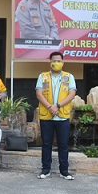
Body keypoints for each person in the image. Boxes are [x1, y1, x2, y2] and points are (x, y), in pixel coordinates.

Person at [35, 51, 76, 180]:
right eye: (53, 61)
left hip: (62, 115)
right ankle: (45, 170)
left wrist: (57, 105)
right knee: (46, 144)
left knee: (63, 145)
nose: (56, 63)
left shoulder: (69, 77)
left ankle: (64, 171)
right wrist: (50, 107)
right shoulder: (43, 76)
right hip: (46, 115)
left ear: (63, 63)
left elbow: (72, 94)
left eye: (58, 61)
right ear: (50, 62)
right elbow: (39, 94)